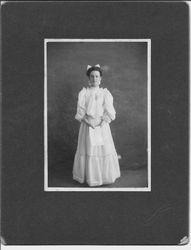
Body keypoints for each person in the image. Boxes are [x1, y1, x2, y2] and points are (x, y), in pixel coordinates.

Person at [72, 64, 121, 186]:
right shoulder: (84, 93)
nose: (94, 79)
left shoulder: (105, 93)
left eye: (97, 76)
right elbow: (80, 112)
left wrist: (101, 122)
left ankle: (103, 177)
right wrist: (87, 122)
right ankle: (90, 177)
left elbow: (110, 112)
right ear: (89, 78)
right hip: (87, 126)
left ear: (100, 79)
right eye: (92, 76)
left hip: (101, 126)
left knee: (102, 150)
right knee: (89, 150)